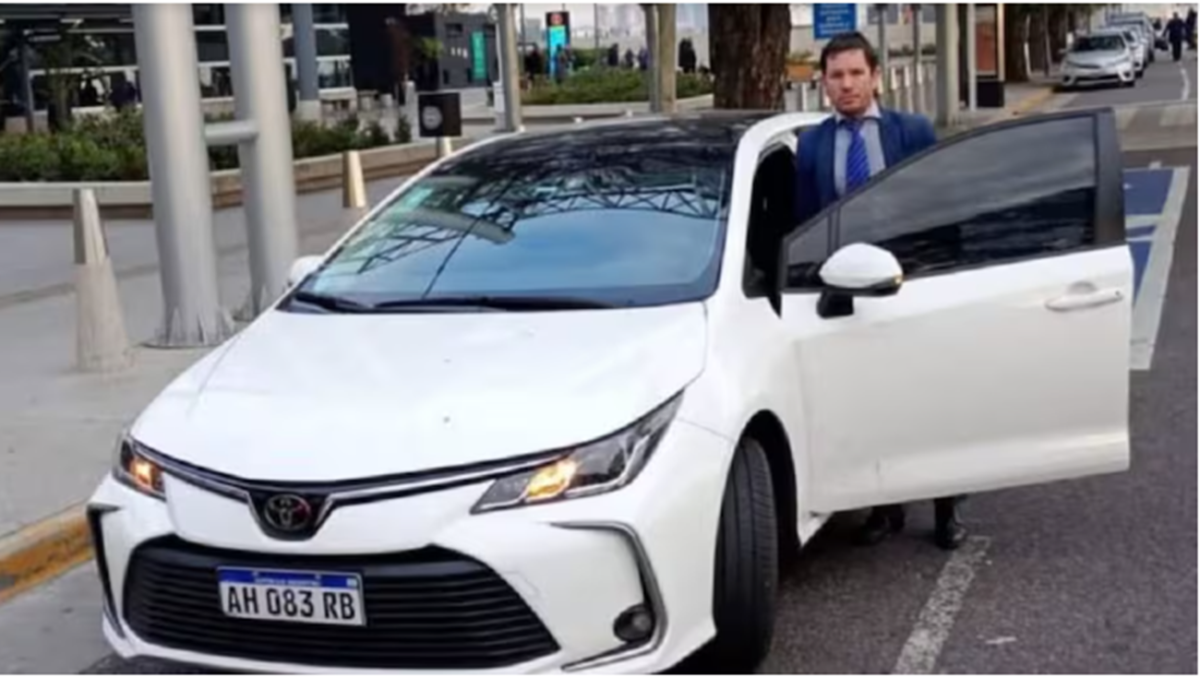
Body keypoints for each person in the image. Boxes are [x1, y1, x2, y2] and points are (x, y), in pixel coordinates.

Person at [793, 31, 968, 551]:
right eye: (836, 76)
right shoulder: (813, 144)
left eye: (855, 73)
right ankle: (885, 507)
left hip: (910, 283)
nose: (846, 84)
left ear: (875, 77)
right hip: (849, 290)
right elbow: (806, 219)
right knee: (869, 401)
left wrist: (942, 276)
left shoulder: (911, 131)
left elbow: (939, 204)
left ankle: (947, 507)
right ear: (823, 84)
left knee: (929, 401)